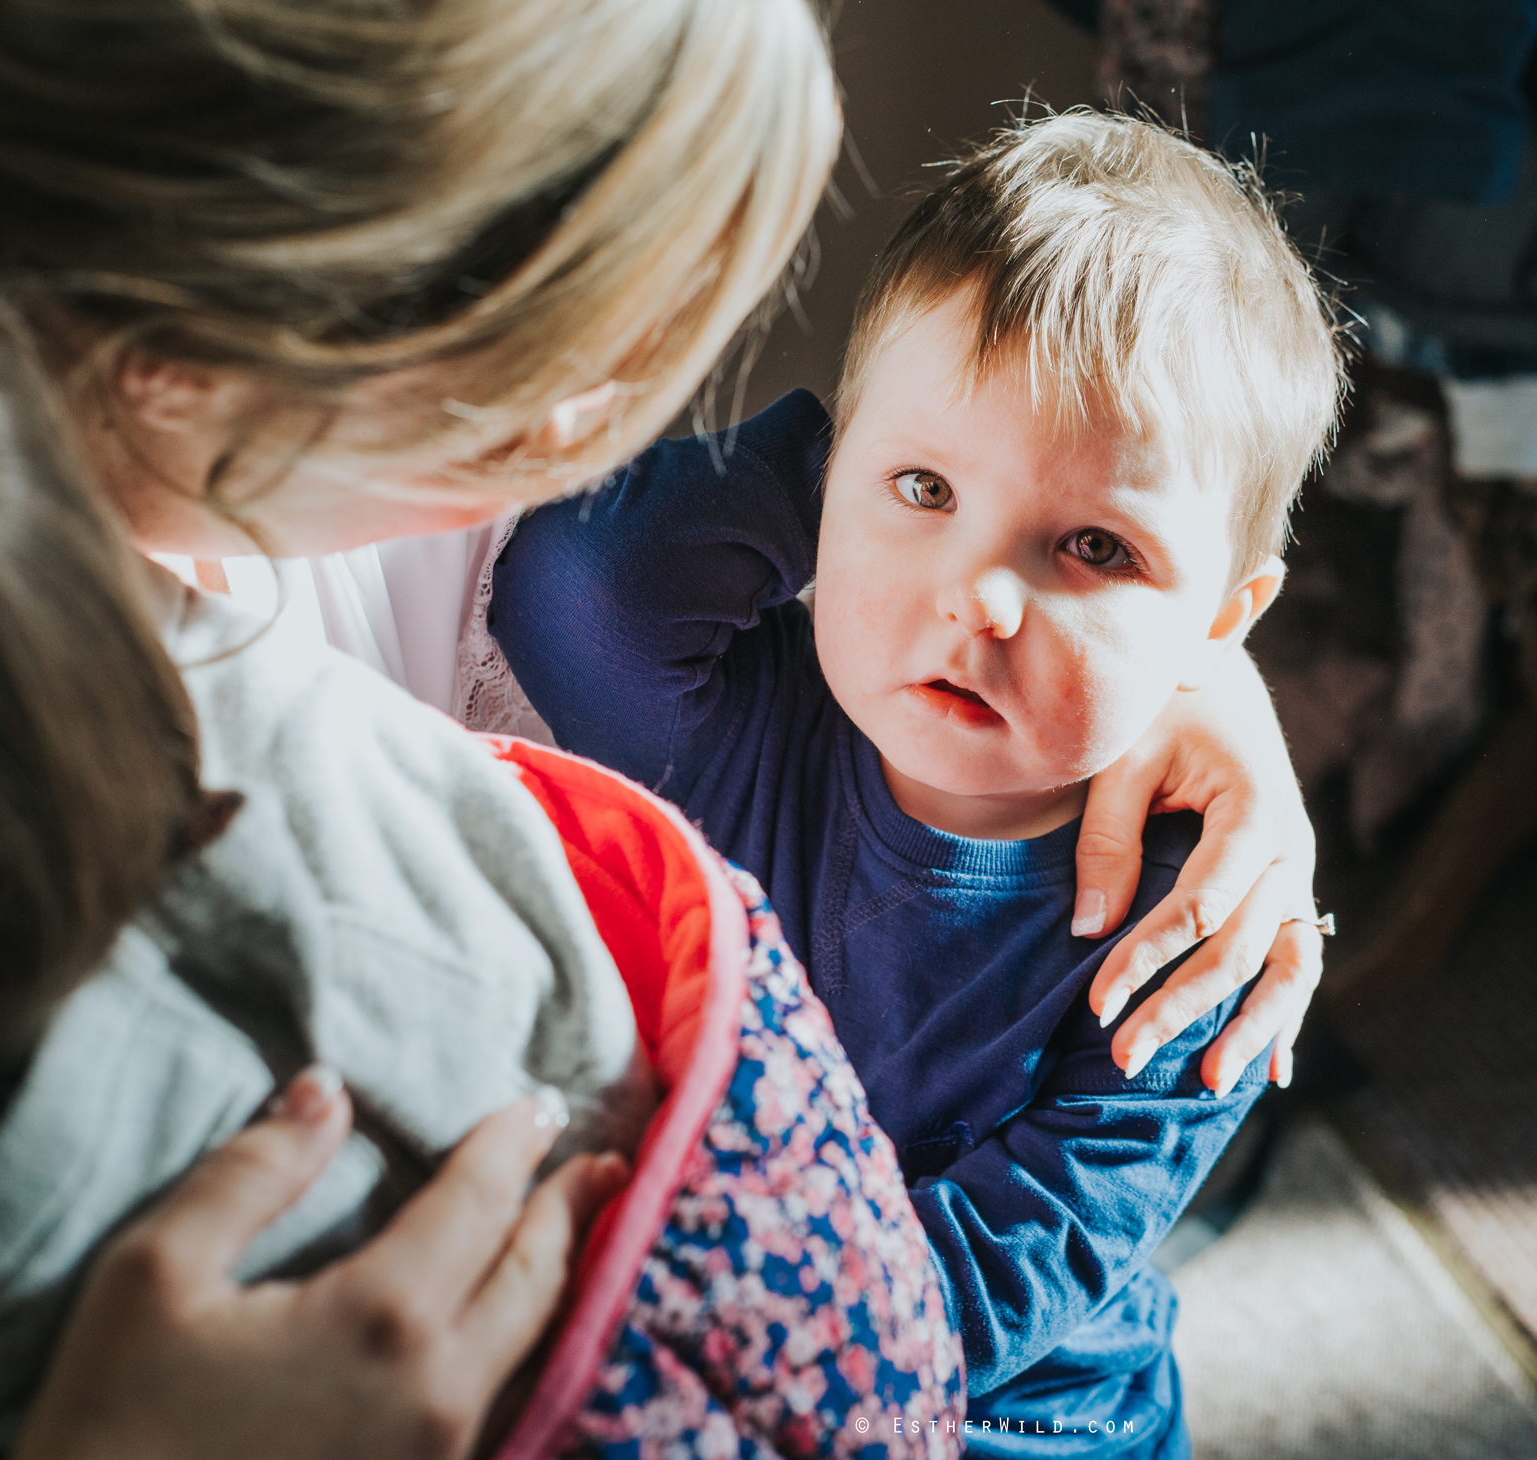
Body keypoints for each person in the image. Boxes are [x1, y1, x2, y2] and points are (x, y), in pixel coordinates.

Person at [0, 0, 1322, 1450]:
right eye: (564, 330)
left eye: (1090, 551)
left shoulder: (1173, 915)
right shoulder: (688, 680)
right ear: (315, 263)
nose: (606, 418)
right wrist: (948, 486)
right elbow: (595, 578)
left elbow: (1058, 1239)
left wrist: (1180, 654)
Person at [487, 111, 1343, 1459]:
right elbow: (576, 585)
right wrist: (830, 462)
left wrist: (709, 1349)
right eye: (923, 487)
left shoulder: (1202, 921)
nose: (978, 597)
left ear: (1220, 625)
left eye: (1092, 548)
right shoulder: (728, 716)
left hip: (1018, 1417)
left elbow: (1020, 1258)